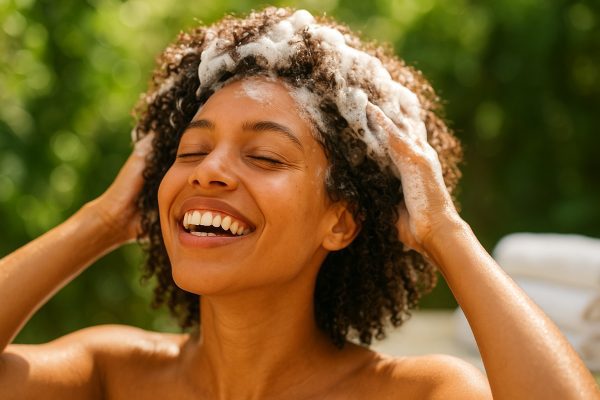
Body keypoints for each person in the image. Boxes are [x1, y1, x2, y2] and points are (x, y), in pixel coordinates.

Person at [0, 7, 597, 399]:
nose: (210, 172)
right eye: (190, 152)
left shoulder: (417, 392)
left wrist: (443, 230)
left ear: (339, 222)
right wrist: (103, 220)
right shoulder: (111, 373)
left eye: (264, 157)